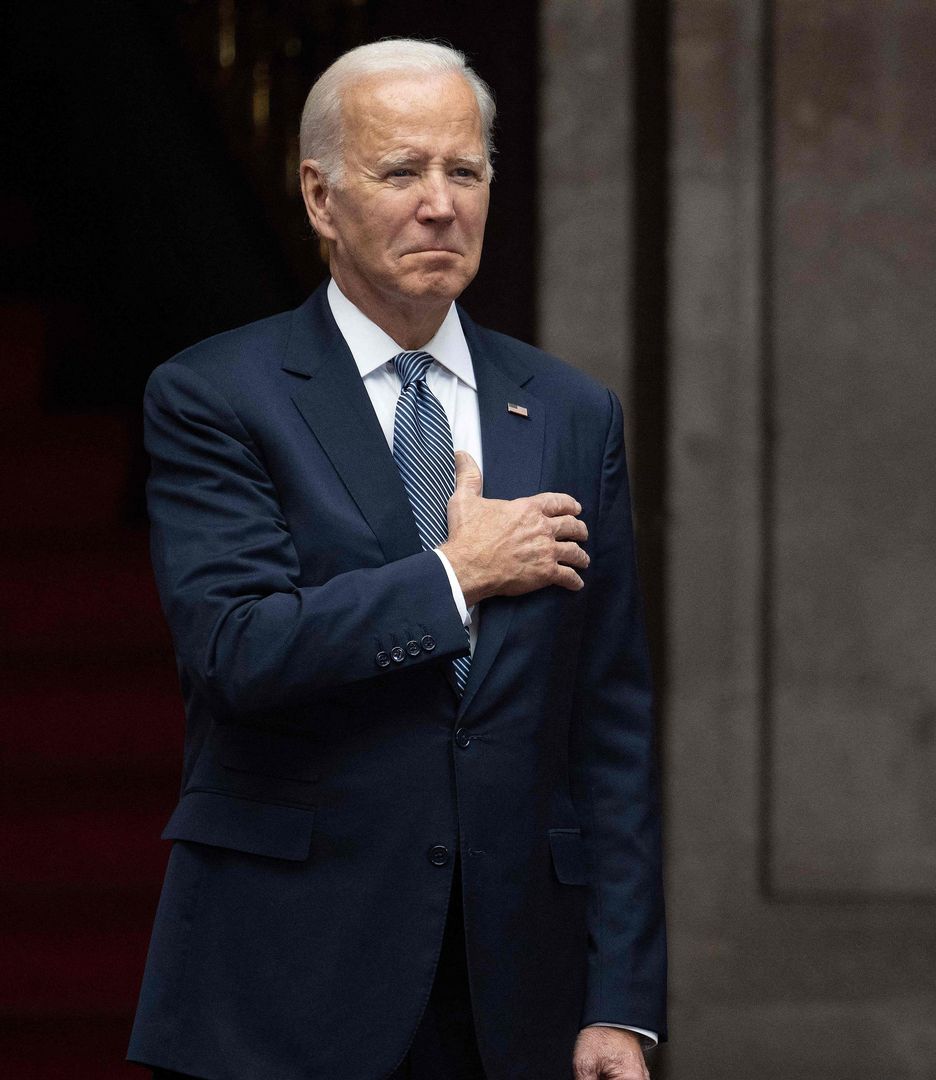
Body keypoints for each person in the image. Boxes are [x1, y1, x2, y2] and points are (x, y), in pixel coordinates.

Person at [128, 40, 662, 1079]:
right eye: (402, 171)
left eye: (465, 172)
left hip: (514, 993)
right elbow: (237, 649)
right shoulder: (216, 395)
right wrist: (456, 577)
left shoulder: (568, 412)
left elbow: (612, 723)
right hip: (286, 979)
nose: (440, 205)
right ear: (322, 199)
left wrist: (624, 998)